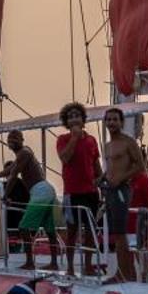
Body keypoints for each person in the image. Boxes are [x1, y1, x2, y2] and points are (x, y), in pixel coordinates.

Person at [54, 102, 102, 274]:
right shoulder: (62, 140)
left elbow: (96, 164)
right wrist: (74, 138)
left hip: (90, 192)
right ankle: (70, 268)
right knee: (72, 231)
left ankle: (88, 266)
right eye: (70, 116)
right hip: (72, 192)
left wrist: (101, 183)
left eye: (77, 115)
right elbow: (65, 158)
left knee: (90, 231)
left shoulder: (91, 140)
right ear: (66, 122)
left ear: (83, 119)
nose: (74, 118)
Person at [100, 108, 145, 281]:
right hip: (109, 191)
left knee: (120, 233)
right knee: (116, 233)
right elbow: (110, 168)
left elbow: (140, 166)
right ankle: (128, 273)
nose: (111, 123)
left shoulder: (128, 142)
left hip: (121, 190)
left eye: (115, 120)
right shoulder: (108, 145)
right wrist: (101, 178)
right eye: (109, 120)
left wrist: (120, 178)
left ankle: (123, 273)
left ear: (121, 122)